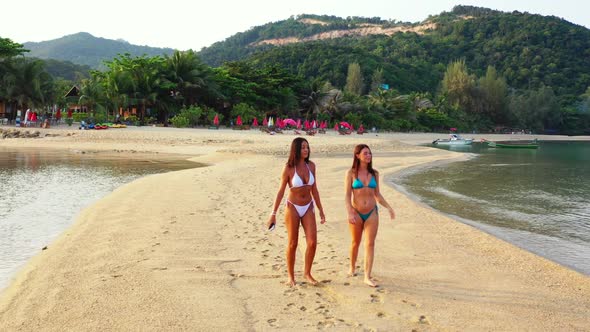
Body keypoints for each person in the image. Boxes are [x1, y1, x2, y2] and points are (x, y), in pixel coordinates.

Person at [267, 137, 326, 287]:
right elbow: (281, 191)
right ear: (296, 150)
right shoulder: (288, 168)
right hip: (292, 206)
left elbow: (315, 189)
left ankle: (307, 273)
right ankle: (291, 277)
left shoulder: (311, 166)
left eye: (307, 147)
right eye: (303, 147)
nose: (306, 150)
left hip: (308, 207)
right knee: (293, 243)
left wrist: (321, 210)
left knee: (312, 242)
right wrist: (273, 214)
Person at [345, 144, 395, 287]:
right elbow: (347, 195)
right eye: (365, 153)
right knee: (355, 242)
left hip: (372, 213)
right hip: (356, 212)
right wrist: (350, 212)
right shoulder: (351, 173)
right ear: (357, 155)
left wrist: (389, 207)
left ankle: (367, 276)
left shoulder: (375, 174)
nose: (369, 156)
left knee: (370, 243)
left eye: (370, 153)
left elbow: (377, 194)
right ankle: (352, 267)